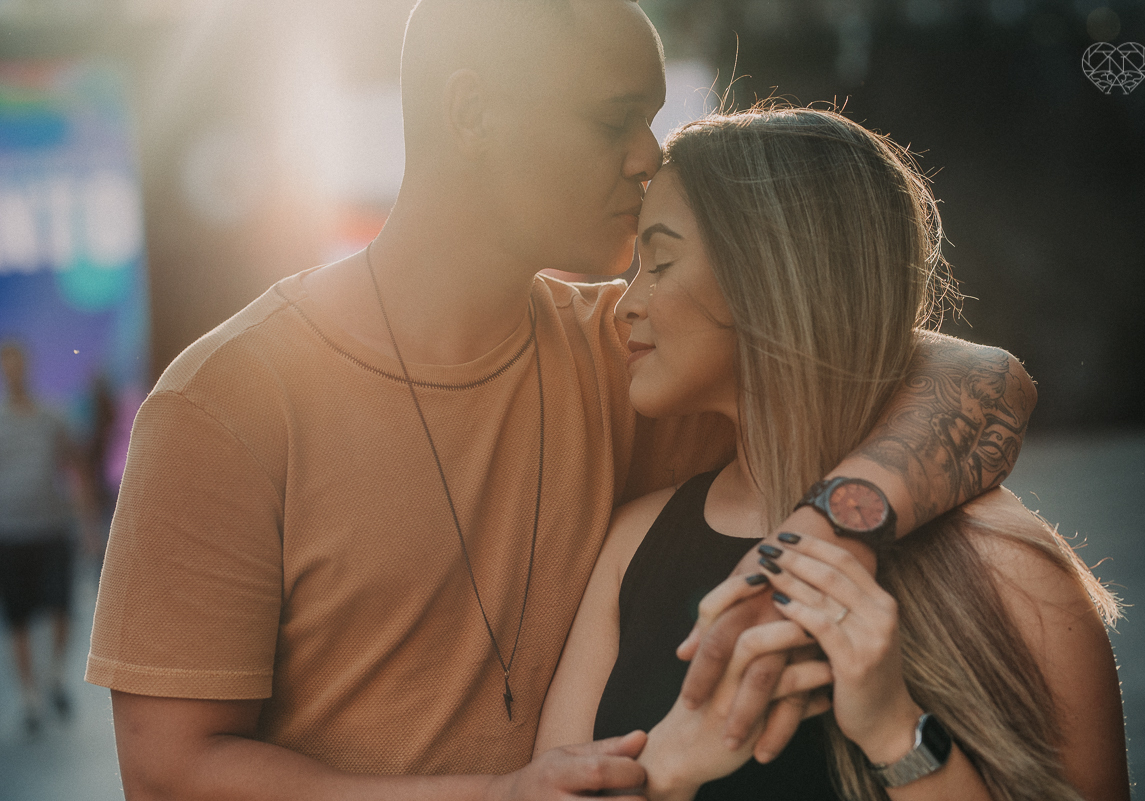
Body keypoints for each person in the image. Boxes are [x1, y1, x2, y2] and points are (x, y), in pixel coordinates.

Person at [87, 2, 1037, 799]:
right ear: (472, 113)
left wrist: (838, 525)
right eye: (613, 117)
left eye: (653, 118)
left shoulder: (629, 347)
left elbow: (978, 379)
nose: (647, 156)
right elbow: (170, 772)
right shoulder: (226, 404)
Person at [534, 107, 1127, 800]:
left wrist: (896, 734)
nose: (624, 305)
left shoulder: (1014, 573)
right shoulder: (634, 546)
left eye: (660, 261)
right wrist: (671, 764)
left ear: (774, 279)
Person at [0, 341, 88, 734]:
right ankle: (31, 697)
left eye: (19, 362)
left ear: (28, 366)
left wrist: (87, 522)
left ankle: (54, 676)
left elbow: (73, 464)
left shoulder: (51, 415)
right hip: (11, 531)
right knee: (17, 617)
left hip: (52, 526)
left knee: (60, 608)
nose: (14, 370)